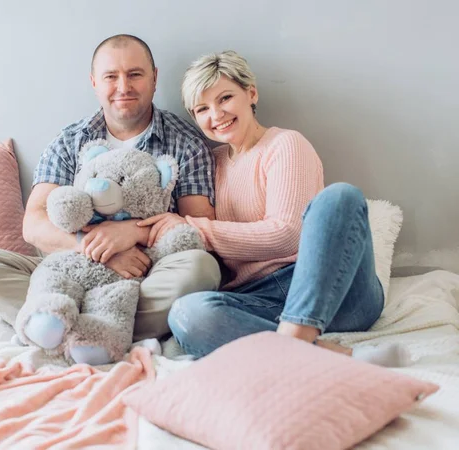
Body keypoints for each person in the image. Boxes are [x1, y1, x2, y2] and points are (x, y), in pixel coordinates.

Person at [139, 50, 408, 366]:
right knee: (188, 314)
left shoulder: (285, 145)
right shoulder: (207, 164)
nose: (216, 114)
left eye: (225, 98)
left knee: (340, 197)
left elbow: (288, 235)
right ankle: (335, 358)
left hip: (333, 290)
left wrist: (192, 227)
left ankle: (294, 348)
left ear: (251, 93)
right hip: (260, 299)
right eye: (202, 109)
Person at [0, 34, 221, 345]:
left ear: (154, 78)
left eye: (135, 75)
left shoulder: (186, 143)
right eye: (111, 76)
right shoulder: (70, 141)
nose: (123, 87)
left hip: (145, 276)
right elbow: (33, 223)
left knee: (201, 268)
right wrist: (96, 249)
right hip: (69, 270)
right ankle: (96, 329)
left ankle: (61, 326)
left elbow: (197, 229)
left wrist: (133, 234)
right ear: (94, 83)